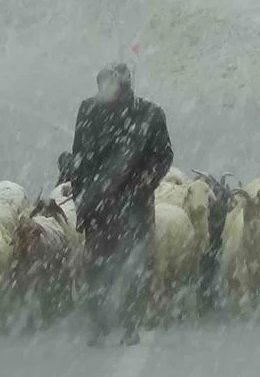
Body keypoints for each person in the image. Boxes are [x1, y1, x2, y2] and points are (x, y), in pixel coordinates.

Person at [70, 62, 174, 346]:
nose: (107, 91)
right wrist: (82, 199)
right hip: (97, 206)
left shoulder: (150, 114)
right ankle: (99, 324)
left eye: (113, 84)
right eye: (103, 84)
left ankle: (130, 323)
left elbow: (163, 155)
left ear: (126, 87)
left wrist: (145, 181)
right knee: (96, 266)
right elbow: (79, 155)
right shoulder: (88, 111)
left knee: (132, 265)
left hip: (133, 206)